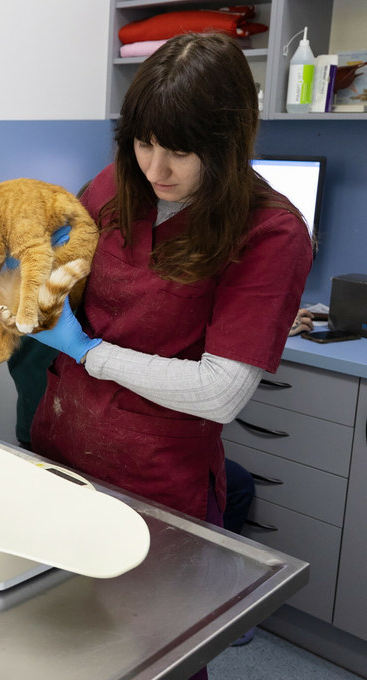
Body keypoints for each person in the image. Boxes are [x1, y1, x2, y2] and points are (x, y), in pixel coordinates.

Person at [26, 31, 312, 532]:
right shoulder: (116, 185)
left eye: (179, 151)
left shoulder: (269, 232)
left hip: (156, 477)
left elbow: (219, 392)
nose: (156, 168)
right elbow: (58, 265)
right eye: (143, 143)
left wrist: (88, 351)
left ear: (226, 142)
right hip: (63, 444)